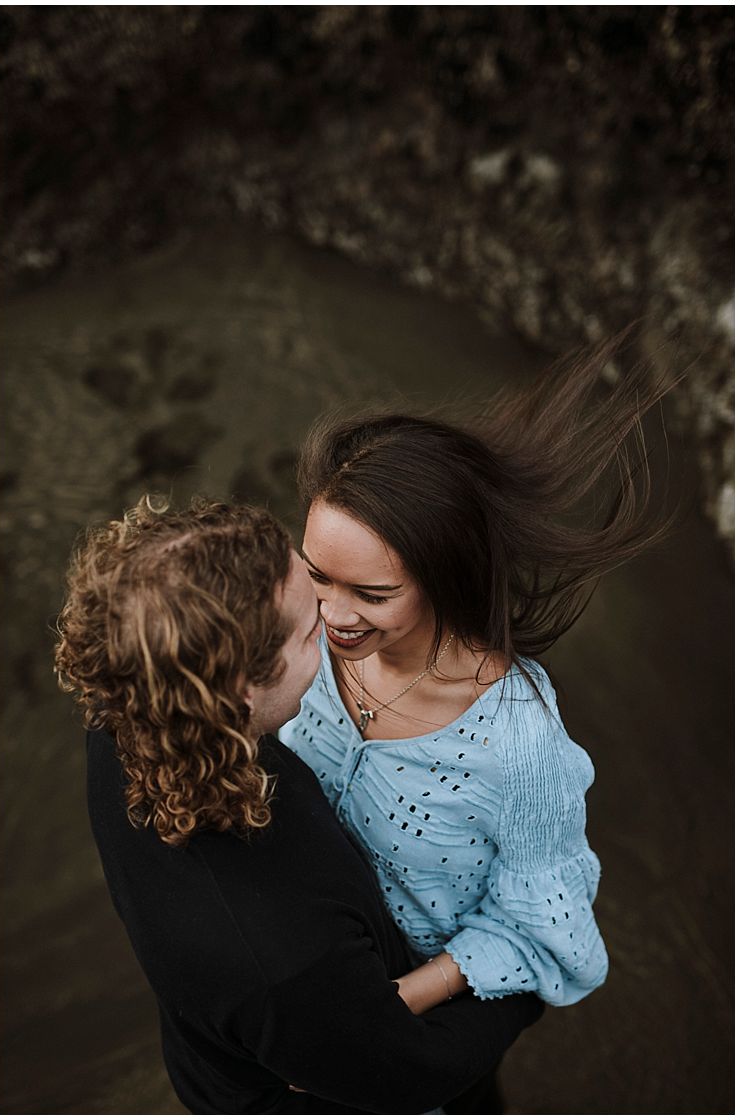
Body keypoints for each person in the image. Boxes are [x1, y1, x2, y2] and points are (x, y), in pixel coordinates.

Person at [55, 495, 544, 1114]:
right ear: (240, 692)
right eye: (313, 627)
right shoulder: (287, 966)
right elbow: (419, 1071)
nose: (334, 618)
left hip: (218, 1053)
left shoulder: (120, 713)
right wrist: (527, 973)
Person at [279, 333, 669, 1014]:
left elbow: (543, 931)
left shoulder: (519, 748)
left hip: (423, 1009)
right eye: (316, 575)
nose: (330, 614)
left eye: (370, 595)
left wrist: (387, 1008)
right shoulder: (293, 635)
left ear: (444, 576)